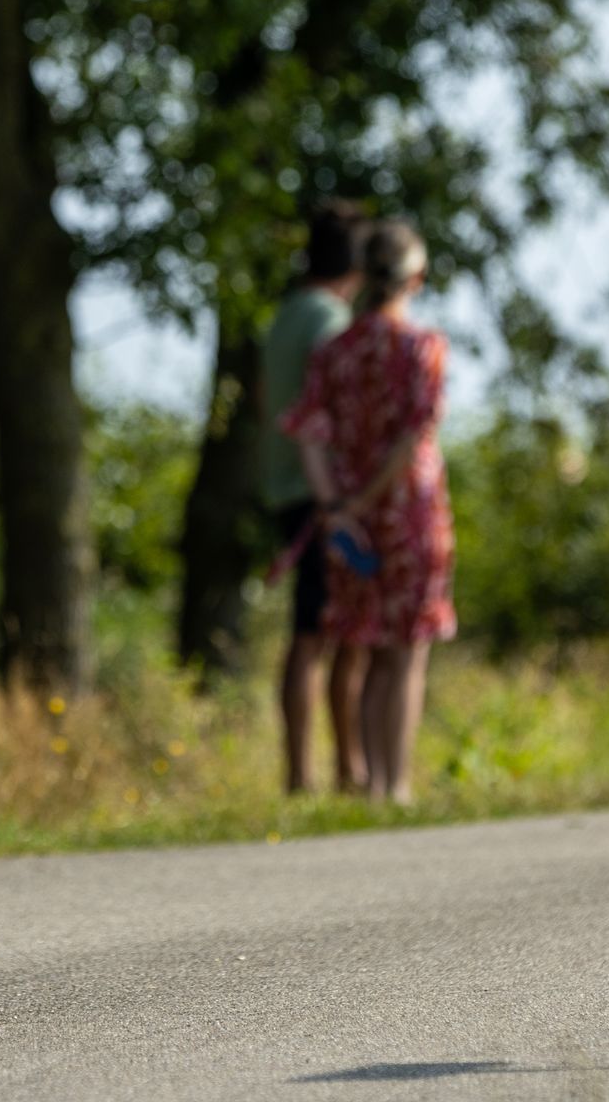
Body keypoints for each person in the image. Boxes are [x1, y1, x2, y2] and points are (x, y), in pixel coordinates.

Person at [283, 219, 455, 804]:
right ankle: (394, 785)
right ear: (416, 277)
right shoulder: (422, 348)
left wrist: (336, 502)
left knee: (369, 645)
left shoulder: (334, 352)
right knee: (405, 655)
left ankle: (375, 790)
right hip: (408, 514)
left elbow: (306, 432)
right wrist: (368, 497)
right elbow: (414, 437)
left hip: (350, 523)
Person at [259, 201, 368, 794]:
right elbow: (333, 411)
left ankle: (309, 773)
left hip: (285, 488)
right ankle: (339, 772)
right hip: (324, 495)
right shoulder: (329, 320)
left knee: (313, 630)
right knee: (328, 635)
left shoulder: (285, 316)